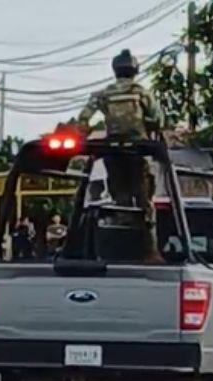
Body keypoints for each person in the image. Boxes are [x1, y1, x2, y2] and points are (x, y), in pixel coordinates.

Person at [77, 49, 164, 261]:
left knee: (119, 199)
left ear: (115, 70)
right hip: (136, 150)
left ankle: (118, 244)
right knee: (144, 201)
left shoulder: (104, 94)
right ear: (134, 70)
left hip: (113, 150)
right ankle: (151, 251)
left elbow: (83, 118)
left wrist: (86, 131)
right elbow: (158, 118)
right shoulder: (141, 92)